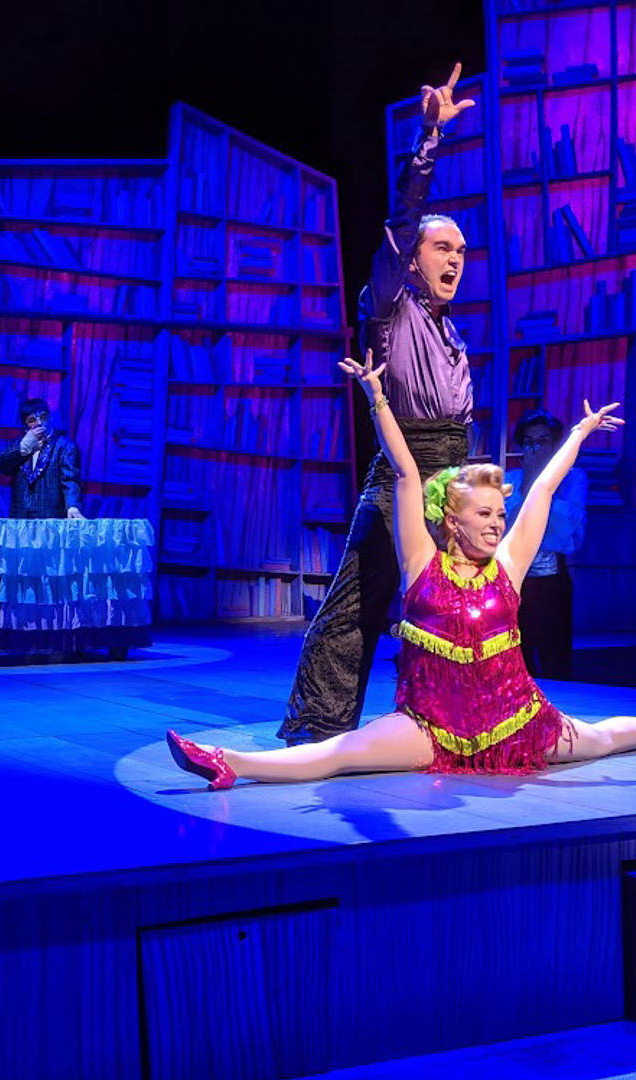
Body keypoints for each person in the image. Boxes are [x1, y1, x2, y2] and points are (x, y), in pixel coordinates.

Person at [165, 355, 636, 789]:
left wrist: (579, 434)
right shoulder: (421, 564)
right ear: (452, 519)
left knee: (601, 740)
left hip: (516, 722)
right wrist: (379, 400)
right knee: (338, 754)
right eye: (485, 515)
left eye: (500, 514)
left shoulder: (508, 566)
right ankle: (230, 761)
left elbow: (541, 489)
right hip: (431, 726)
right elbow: (405, 473)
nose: (498, 524)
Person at [281, 64, 481, 748]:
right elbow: (401, 217)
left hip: (455, 471)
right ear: (412, 259)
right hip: (405, 468)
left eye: (462, 250)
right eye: (442, 247)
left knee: (459, 611)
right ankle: (317, 725)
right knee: (359, 600)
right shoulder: (391, 307)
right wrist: (429, 138)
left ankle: (449, 721)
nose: (455, 259)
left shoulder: (451, 331)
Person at [504, 410, 585, 678]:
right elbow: (505, 530)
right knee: (514, 654)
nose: (535, 449)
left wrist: (545, 487)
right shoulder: (511, 480)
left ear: (554, 445)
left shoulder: (574, 478)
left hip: (553, 578)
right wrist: (530, 485)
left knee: (555, 657)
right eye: (528, 442)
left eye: (542, 441)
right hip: (513, 579)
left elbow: (569, 533)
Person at [0, 397, 84, 520]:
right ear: (25, 426)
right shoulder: (19, 445)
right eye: (32, 420)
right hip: (20, 519)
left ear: (50, 418)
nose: (39, 423)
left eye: (43, 417)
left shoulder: (65, 447)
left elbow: (70, 480)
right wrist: (24, 447)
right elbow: (1, 466)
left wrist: (72, 506)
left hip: (50, 519)